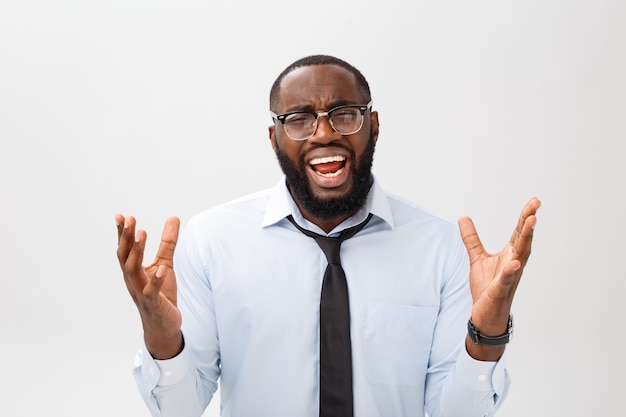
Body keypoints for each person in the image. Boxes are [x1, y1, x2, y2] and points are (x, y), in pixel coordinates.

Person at [115, 54, 540, 417]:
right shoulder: (213, 241)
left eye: (344, 114)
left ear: (372, 125)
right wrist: (163, 336)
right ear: (274, 137)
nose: (323, 132)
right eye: (298, 120)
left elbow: (456, 413)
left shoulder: (439, 247)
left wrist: (486, 333)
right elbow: (179, 407)